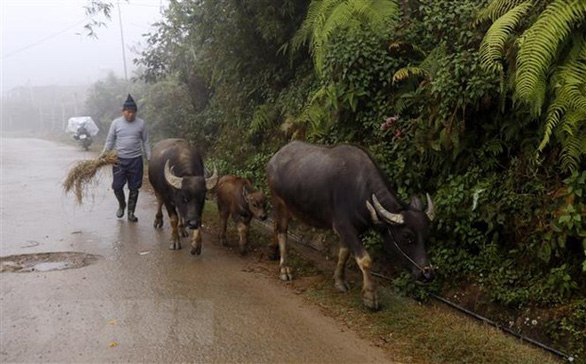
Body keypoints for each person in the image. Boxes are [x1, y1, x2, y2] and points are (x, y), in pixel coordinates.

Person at [100, 94, 151, 222]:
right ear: (123, 112)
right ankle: (122, 205)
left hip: (136, 160)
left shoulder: (141, 124)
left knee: (134, 187)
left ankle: (131, 213)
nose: (131, 115)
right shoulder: (116, 123)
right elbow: (110, 141)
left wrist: (150, 158)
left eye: (133, 112)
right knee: (117, 186)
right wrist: (103, 155)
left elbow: (146, 142)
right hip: (119, 160)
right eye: (128, 112)